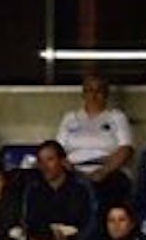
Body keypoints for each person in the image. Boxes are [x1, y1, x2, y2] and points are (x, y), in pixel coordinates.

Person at [56, 73, 137, 207]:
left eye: (99, 90)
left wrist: (104, 171)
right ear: (83, 94)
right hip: (74, 172)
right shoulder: (70, 118)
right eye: (89, 90)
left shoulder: (116, 117)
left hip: (107, 172)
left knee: (104, 193)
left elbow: (125, 149)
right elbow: (57, 150)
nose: (93, 95)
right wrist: (72, 170)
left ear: (106, 94)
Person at [19, 141, 98, 240]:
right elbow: (27, 220)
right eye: (41, 161)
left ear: (62, 161)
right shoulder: (34, 187)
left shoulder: (81, 186)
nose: (44, 166)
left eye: (50, 159)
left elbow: (91, 223)